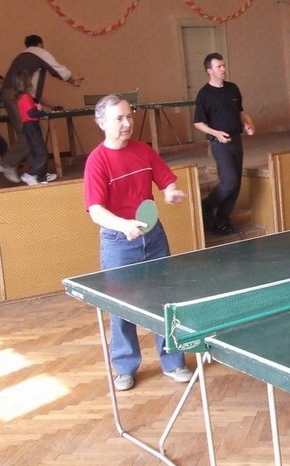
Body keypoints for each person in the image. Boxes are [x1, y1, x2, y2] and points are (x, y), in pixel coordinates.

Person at [83, 93, 191, 391]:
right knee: (121, 307)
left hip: (153, 237)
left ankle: (173, 362)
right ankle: (124, 368)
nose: (127, 123)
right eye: (119, 118)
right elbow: (96, 211)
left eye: (129, 116)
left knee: (164, 301)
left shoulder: (143, 151)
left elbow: (166, 179)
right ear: (101, 122)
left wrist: (171, 191)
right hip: (118, 242)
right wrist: (124, 225)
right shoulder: (97, 161)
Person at [0, 34, 84, 183]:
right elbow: (58, 70)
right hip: (13, 95)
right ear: (40, 44)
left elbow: (34, 95)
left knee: (33, 134)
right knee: (29, 133)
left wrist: (53, 105)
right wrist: (72, 80)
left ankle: (38, 173)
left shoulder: (23, 58)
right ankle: (8, 164)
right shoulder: (38, 52)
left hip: (8, 94)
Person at [193, 52, 255, 235]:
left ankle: (221, 222)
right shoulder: (204, 94)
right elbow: (198, 123)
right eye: (219, 66)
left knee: (236, 185)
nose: (223, 69)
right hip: (219, 143)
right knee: (229, 182)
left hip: (237, 140)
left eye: (223, 65)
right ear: (209, 71)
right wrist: (216, 134)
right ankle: (207, 204)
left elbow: (241, 112)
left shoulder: (232, 88)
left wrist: (248, 123)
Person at [13, 70, 54, 185]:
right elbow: (32, 113)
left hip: (30, 127)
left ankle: (42, 176)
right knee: (42, 153)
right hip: (31, 127)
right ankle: (30, 174)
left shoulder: (24, 97)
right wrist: (40, 111)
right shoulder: (25, 97)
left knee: (38, 152)